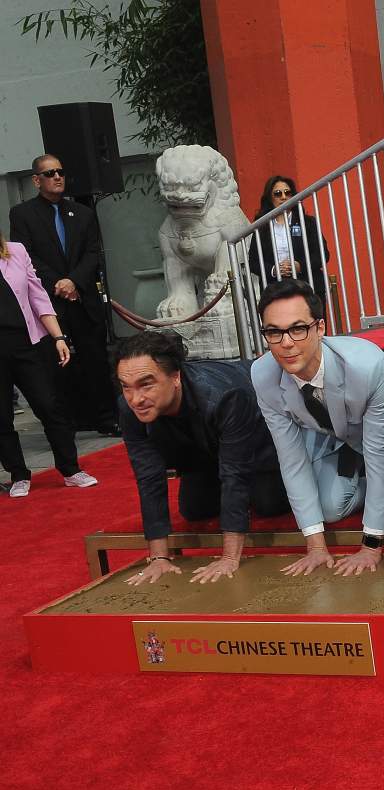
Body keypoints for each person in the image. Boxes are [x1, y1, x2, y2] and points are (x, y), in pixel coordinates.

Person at [251, 279, 384, 577]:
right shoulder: (263, 374)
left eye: (298, 329)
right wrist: (315, 547)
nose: (286, 343)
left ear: (321, 328)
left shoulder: (366, 365)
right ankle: (367, 480)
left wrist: (370, 545)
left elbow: (379, 451)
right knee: (328, 510)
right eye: (274, 332)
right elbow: (291, 458)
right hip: (340, 437)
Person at [116, 331, 289, 586]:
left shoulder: (225, 395)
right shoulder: (128, 407)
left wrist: (229, 558)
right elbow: (148, 477)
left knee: (267, 503)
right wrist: (158, 559)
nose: (135, 398)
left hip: (258, 437)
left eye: (146, 384)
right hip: (201, 448)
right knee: (194, 509)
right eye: (126, 386)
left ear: (175, 377)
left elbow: (234, 474)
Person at [8, 154, 119, 436]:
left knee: (95, 359)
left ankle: (106, 418)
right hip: (49, 302)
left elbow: (93, 253)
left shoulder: (82, 213)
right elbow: (26, 256)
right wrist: (58, 282)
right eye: (49, 173)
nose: (57, 177)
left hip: (81, 297)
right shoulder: (23, 214)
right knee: (57, 365)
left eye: (60, 171)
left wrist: (73, 281)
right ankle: (66, 422)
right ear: (36, 180)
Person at [0, 227, 97, 497]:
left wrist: (59, 337)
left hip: (26, 344)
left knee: (49, 405)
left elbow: (38, 296)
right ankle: (18, 474)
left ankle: (70, 469)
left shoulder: (16, 251)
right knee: (1, 417)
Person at [247, 175, 330, 301]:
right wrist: (274, 270)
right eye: (278, 194)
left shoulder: (307, 222)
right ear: (270, 198)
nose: (284, 197)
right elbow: (253, 262)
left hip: (308, 286)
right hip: (275, 290)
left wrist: (300, 266)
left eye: (288, 193)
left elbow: (323, 254)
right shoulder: (261, 227)